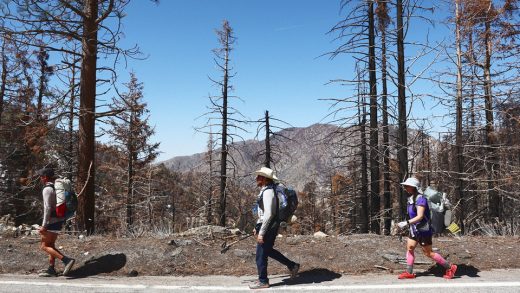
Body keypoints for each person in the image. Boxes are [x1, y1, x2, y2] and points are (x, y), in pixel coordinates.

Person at [396, 177, 457, 279]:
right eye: (405, 185)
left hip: (424, 230)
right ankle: (409, 272)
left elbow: (420, 216)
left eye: (407, 186)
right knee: (410, 248)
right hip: (414, 229)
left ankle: (450, 267)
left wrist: (406, 223)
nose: (405, 187)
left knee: (428, 253)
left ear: (413, 187)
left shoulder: (421, 199)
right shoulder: (411, 198)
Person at [249, 167, 300, 289]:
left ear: (265, 179)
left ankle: (263, 281)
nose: (256, 178)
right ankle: (292, 266)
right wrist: (257, 226)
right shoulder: (265, 190)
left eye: (259, 176)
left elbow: (269, 214)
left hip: (269, 226)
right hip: (267, 225)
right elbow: (262, 213)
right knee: (268, 250)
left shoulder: (268, 192)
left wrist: (261, 232)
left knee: (260, 255)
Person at [37, 167, 75, 277]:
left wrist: (44, 225)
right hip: (59, 220)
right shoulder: (57, 187)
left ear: (44, 177)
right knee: (51, 245)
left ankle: (67, 260)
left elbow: (47, 208)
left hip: (51, 221)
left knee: (44, 246)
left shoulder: (47, 189)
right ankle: (51, 269)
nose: (40, 178)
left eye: (41, 176)